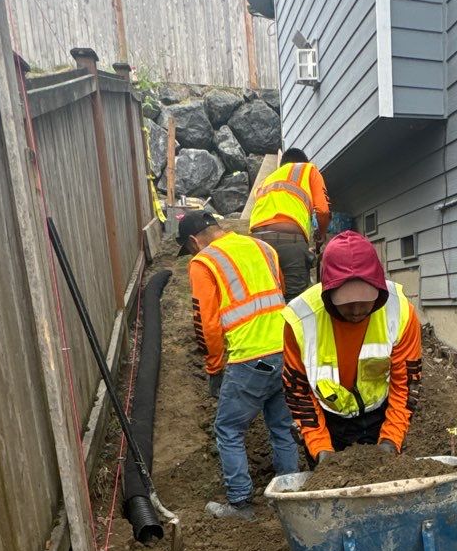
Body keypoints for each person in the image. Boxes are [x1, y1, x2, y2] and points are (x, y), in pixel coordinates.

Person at [180, 209, 300, 519]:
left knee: (228, 428)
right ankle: (289, 496)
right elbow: (280, 293)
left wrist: (214, 368)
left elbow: (206, 324)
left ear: (193, 241)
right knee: (282, 426)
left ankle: (241, 503)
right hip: (286, 350)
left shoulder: (203, 262)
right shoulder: (264, 247)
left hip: (249, 357)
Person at [282, 230, 422, 462]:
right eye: (346, 303)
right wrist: (320, 449)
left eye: (364, 301)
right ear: (328, 292)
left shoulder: (400, 312)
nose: (356, 310)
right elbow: (299, 392)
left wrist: (390, 440)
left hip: (378, 417)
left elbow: (405, 385)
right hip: (327, 420)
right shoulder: (301, 320)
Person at [247, 145, 331, 298]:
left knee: (264, 299)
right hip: (290, 243)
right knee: (293, 302)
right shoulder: (308, 169)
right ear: (303, 162)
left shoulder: (264, 182)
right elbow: (323, 211)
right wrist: (322, 233)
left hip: (256, 245)